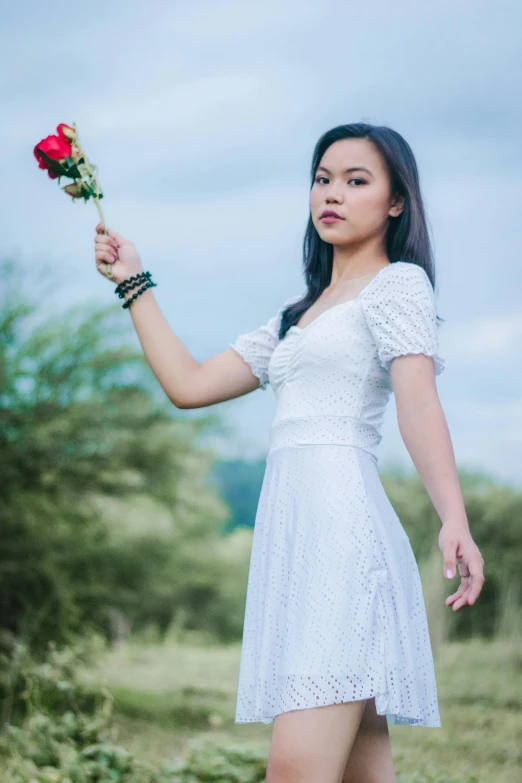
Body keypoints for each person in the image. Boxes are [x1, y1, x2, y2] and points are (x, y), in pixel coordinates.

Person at [94, 122, 485, 783]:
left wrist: (454, 515)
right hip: (295, 546)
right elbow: (188, 385)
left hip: (344, 544)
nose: (332, 193)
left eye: (357, 181)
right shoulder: (292, 315)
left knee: (295, 771)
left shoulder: (397, 287)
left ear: (396, 202)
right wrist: (134, 280)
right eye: (323, 178)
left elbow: (417, 403)